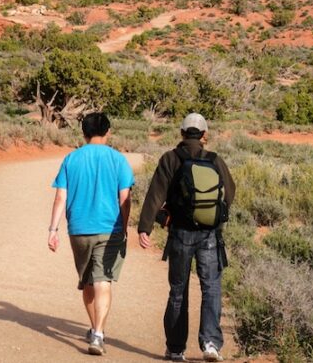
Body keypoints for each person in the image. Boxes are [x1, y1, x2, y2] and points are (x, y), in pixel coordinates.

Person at [137, 113, 235, 362]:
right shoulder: (214, 159)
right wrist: (213, 216)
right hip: (210, 235)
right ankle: (211, 343)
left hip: (180, 234)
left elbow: (155, 194)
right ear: (204, 135)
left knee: (178, 291)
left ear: (181, 133)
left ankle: (176, 348)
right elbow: (230, 192)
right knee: (211, 288)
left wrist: (144, 227)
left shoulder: (170, 158)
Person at [47, 112, 135, 356]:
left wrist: (53, 230)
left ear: (84, 133)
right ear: (108, 132)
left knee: (87, 280)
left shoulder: (71, 159)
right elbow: (125, 198)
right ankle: (98, 333)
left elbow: (60, 197)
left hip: (79, 229)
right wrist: (125, 226)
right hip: (110, 228)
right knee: (103, 280)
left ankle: (95, 328)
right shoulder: (118, 160)